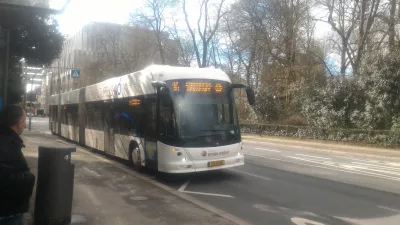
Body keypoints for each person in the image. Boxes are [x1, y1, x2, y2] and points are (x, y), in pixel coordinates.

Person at [0, 105, 35, 225]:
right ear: (20, 123)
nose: (24, 125)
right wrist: (29, 178)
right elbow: (6, 180)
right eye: (24, 121)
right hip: (8, 213)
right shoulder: (8, 145)